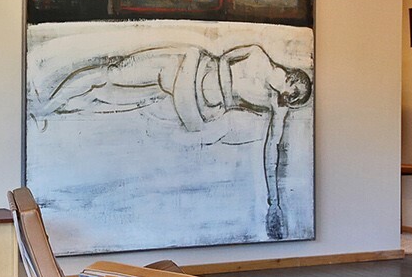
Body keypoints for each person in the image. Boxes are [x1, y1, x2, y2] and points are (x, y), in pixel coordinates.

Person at [30, 42, 312, 238]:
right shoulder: (257, 54)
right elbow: (223, 59)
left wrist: (273, 204)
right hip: (187, 67)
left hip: (192, 98)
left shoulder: (275, 104)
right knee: (107, 78)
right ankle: (45, 107)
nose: (286, 96)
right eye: (291, 90)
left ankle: (45, 108)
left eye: (291, 99)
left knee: (108, 84)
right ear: (290, 77)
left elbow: (271, 152)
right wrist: (226, 88)